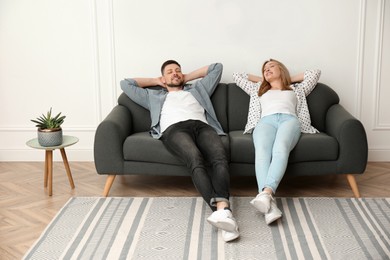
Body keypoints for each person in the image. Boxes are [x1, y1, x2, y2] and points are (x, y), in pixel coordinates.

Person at [121, 60, 239, 242]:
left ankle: (222, 211)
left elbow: (217, 67)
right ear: (163, 77)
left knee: (220, 158)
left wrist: (185, 77)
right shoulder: (153, 96)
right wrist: (156, 80)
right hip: (174, 130)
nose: (175, 73)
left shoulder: (198, 89)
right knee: (195, 159)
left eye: (178, 70)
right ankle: (222, 212)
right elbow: (125, 83)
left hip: (202, 127)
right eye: (170, 72)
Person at [233, 59, 321, 224]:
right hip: (265, 122)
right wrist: (264, 80)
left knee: (280, 149)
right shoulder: (258, 89)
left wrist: (286, 79)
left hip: (289, 120)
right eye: (264, 69)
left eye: (271, 66)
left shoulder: (297, 88)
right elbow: (238, 76)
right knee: (262, 153)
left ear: (282, 69)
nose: (267, 70)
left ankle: (266, 195)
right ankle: (268, 201)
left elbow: (315, 73)